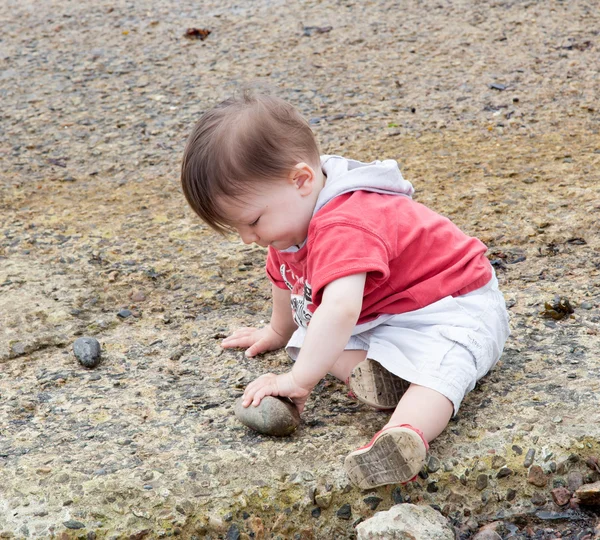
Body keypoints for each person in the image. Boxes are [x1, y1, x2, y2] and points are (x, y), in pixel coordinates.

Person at [180, 92, 511, 489]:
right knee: (307, 336)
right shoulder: (291, 219)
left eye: (251, 222)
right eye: (237, 228)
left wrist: (298, 381)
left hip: (453, 304)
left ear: (302, 179)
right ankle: (383, 376)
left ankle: (404, 436)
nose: (247, 239)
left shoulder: (345, 223)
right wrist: (277, 331)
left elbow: (339, 309)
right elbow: (285, 280)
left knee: (443, 369)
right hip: (386, 310)